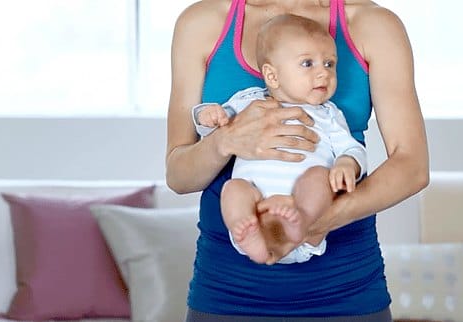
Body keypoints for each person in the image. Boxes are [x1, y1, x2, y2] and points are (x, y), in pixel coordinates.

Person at [166, 0, 429, 321]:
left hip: (345, 289)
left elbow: (412, 166)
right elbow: (178, 175)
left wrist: (315, 221)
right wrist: (225, 141)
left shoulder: (373, 25)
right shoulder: (203, 23)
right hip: (228, 290)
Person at [191, 14, 367, 266]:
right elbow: (215, 129)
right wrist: (207, 114)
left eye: (329, 64)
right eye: (308, 64)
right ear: (272, 76)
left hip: (305, 218)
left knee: (319, 177)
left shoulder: (328, 114)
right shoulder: (250, 101)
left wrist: (348, 163)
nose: (323, 74)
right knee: (234, 189)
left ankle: (301, 220)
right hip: (257, 211)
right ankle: (245, 228)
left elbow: (351, 147)